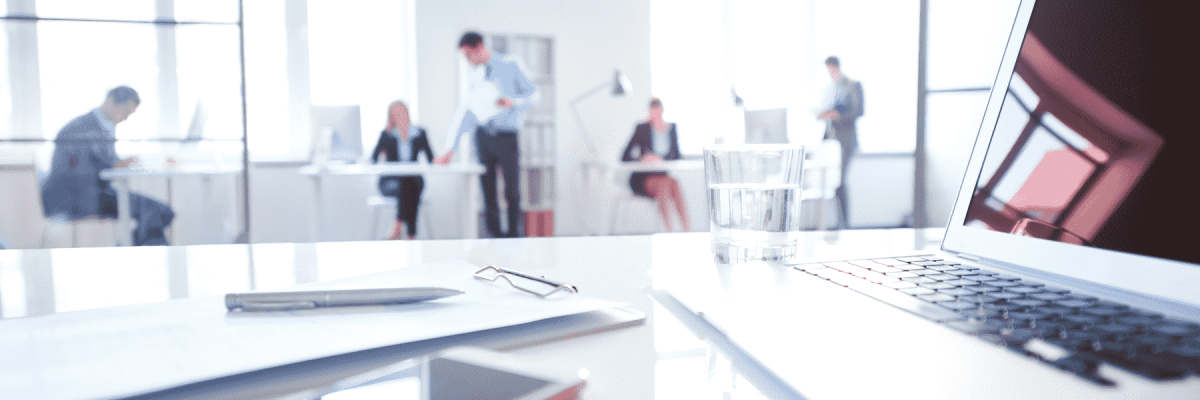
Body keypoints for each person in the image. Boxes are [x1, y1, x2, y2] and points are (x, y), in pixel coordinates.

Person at [434, 31, 539, 238]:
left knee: (512, 191)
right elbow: (466, 113)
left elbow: (535, 95)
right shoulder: (474, 75)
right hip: (483, 137)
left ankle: (513, 237)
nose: (466, 60)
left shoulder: (511, 65)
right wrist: (450, 148)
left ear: (479, 47)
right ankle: (495, 238)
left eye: (467, 55)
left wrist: (513, 102)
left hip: (507, 137)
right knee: (487, 191)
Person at [41, 86, 175, 246]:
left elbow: (100, 161)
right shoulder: (81, 128)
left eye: (129, 114)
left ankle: (131, 247)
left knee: (160, 211)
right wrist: (114, 165)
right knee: (156, 211)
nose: (126, 118)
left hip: (89, 194)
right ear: (110, 102)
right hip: (75, 199)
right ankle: (138, 249)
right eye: (125, 112)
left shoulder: (99, 125)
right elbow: (80, 171)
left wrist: (117, 164)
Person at [620, 98, 691, 232]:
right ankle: (670, 231)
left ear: (662, 110)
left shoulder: (671, 128)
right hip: (642, 178)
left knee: (674, 183)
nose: (655, 113)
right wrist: (643, 158)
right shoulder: (642, 128)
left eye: (657, 110)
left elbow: (677, 155)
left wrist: (661, 159)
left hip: (662, 175)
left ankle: (687, 230)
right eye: (652, 110)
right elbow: (624, 156)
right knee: (664, 184)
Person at [371, 101, 433, 240]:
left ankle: (398, 224)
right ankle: (411, 235)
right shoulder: (386, 135)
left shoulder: (419, 133)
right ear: (391, 117)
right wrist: (385, 140)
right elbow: (373, 159)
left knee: (409, 181)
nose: (401, 116)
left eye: (403, 112)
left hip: (414, 182)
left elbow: (431, 158)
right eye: (396, 114)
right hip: (390, 183)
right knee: (408, 184)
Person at [816, 56, 864, 229]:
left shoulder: (852, 85)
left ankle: (844, 224)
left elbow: (858, 110)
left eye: (831, 68)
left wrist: (838, 116)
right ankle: (835, 223)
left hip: (845, 141)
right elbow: (823, 110)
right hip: (830, 142)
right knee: (830, 183)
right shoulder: (829, 88)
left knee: (840, 182)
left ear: (836, 66)